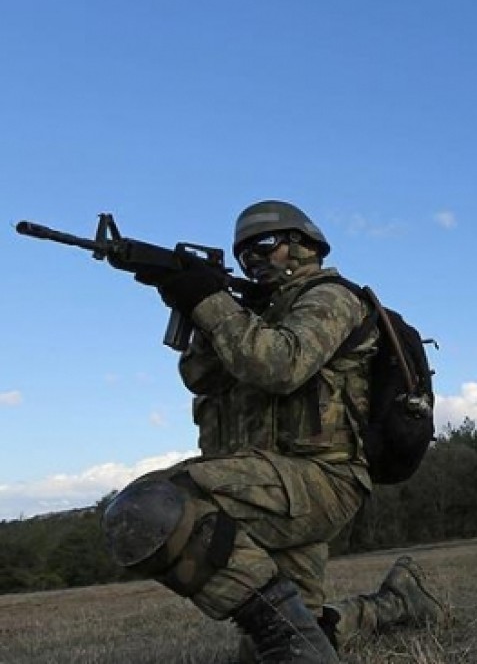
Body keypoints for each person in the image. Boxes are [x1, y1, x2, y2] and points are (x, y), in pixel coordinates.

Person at [99, 200, 447, 663]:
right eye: (243, 254)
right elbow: (202, 377)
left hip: (322, 480)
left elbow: (279, 365)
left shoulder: (331, 298)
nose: (254, 259)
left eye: (265, 244)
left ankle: (296, 644)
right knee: (288, 635)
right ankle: (399, 604)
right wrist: (198, 301)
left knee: (151, 507)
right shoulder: (255, 316)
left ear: (303, 245)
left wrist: (210, 300)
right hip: (273, 482)